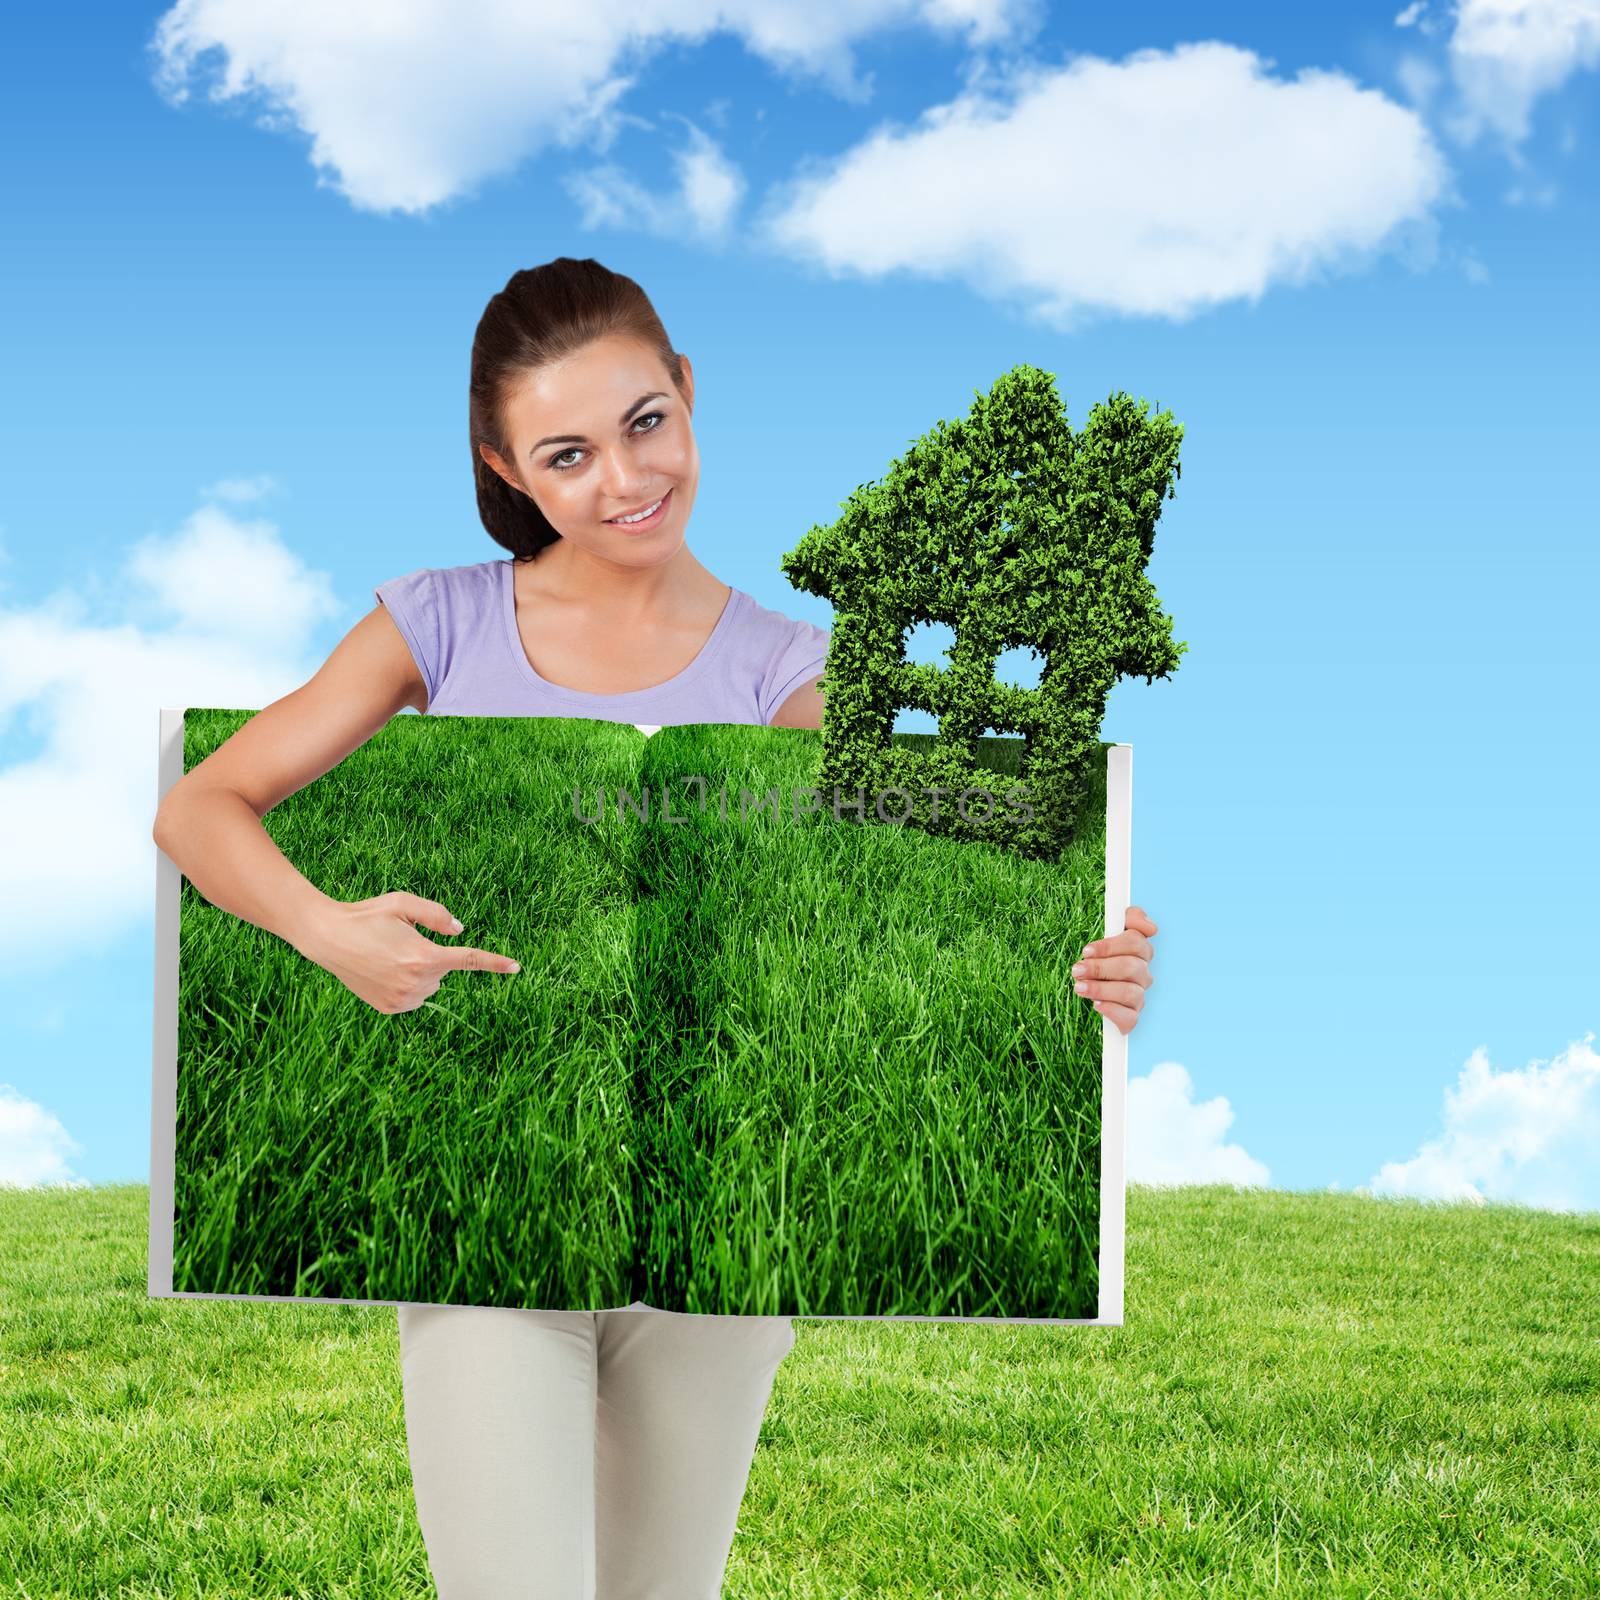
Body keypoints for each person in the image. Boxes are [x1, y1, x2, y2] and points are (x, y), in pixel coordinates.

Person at [150, 256, 1158, 1598]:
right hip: (493, 1219)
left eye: (644, 425)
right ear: (508, 472)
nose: (624, 480)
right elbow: (203, 807)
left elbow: (981, 858)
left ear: (687, 396)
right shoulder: (437, 622)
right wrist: (331, 930)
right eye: (567, 455)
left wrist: (1096, 960)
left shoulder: (788, 665)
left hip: (717, 1252)